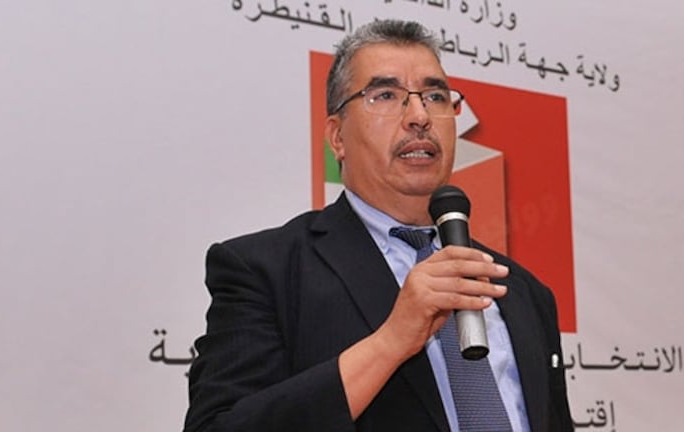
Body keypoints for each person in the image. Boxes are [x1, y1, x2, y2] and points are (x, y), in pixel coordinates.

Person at [184, 19, 573, 432]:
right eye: (386, 95)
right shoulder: (265, 270)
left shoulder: (523, 291)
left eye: (435, 96)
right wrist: (392, 341)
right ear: (337, 138)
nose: (420, 116)